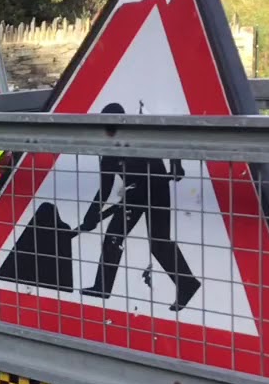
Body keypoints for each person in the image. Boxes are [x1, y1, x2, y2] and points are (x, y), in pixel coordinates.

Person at [78, 102, 202, 312]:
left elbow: (171, 139)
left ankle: (188, 284)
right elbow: (105, 189)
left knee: (159, 243)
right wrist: (91, 217)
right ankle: (102, 287)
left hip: (157, 189)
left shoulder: (140, 135)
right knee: (113, 238)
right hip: (134, 194)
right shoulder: (108, 153)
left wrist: (176, 166)